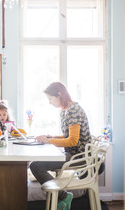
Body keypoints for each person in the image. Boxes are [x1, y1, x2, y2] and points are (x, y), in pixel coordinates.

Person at [30, 82, 91, 210]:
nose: (50, 102)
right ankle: (61, 197)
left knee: (35, 165)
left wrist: (48, 141)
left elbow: (73, 141)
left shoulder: (74, 110)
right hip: (72, 154)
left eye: (51, 99)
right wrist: (50, 137)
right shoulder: (65, 111)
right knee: (37, 164)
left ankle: (62, 196)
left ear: (59, 95)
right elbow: (66, 136)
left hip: (78, 156)